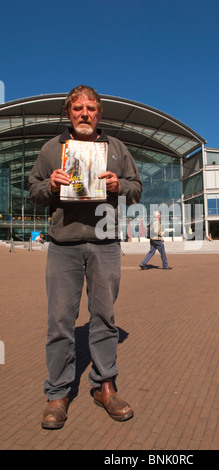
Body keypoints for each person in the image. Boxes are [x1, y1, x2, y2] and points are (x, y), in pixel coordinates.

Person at [29, 85, 142, 429]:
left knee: (104, 317)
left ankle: (104, 386)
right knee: (60, 320)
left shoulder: (117, 149)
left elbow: (136, 189)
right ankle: (58, 392)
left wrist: (117, 186)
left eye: (91, 108)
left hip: (105, 244)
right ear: (68, 113)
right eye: (78, 108)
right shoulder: (52, 149)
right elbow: (33, 190)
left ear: (99, 114)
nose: (84, 113)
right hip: (64, 246)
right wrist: (50, 184)